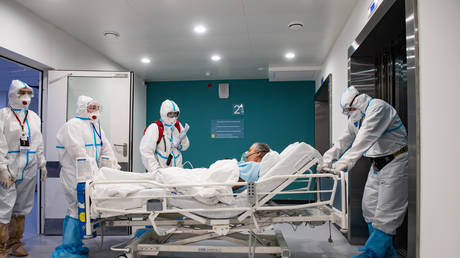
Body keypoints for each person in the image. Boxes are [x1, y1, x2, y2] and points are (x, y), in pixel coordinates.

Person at [317, 86, 408, 258]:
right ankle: (386, 252)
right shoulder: (356, 117)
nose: (349, 114)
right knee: (369, 207)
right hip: (377, 165)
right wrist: (327, 159)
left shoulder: (378, 108)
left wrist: (343, 163)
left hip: (396, 162)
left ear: (358, 102)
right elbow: (343, 140)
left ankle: (373, 253)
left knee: (387, 211)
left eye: (349, 109)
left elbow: (364, 139)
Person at [51, 96, 119, 258]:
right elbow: (79, 154)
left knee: (83, 208)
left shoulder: (95, 127)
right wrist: (96, 174)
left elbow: (106, 149)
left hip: (91, 175)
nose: (94, 111)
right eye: (91, 107)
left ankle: (76, 245)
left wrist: (112, 170)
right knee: (76, 207)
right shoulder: (72, 126)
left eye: (96, 107)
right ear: (82, 108)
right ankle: (68, 249)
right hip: (74, 175)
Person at [0, 80, 47, 257]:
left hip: (29, 165)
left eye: (28, 93)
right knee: (4, 206)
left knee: (22, 207)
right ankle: (1, 246)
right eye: (22, 93)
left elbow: (38, 142)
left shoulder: (33, 117)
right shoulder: (3, 115)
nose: (26, 97)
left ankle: (15, 243)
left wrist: (41, 163)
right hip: (9, 166)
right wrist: (2, 168)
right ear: (13, 94)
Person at [140, 99, 190, 172]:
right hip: (162, 174)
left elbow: (185, 147)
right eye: (170, 114)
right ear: (164, 113)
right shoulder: (155, 127)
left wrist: (182, 141)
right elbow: (146, 151)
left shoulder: (177, 125)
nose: (173, 117)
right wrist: (156, 170)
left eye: (175, 114)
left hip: (178, 171)